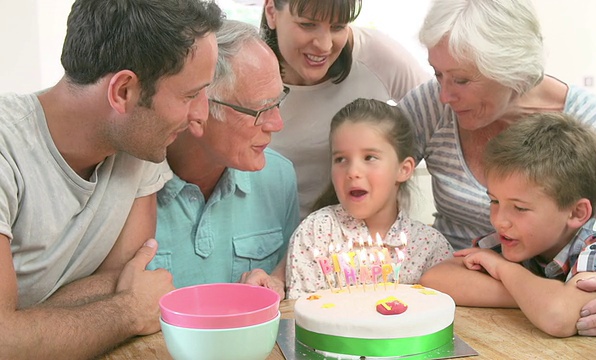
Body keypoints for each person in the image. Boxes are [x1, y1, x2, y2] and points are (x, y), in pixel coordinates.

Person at [398, 0, 596, 336]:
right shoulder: (430, 106)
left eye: (462, 80)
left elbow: (563, 312)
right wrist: (530, 290)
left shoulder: (586, 121)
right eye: (438, 74)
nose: (443, 95)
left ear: (511, 71)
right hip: (473, 298)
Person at [0, 0, 223, 358]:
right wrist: (129, 312)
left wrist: (25, 325)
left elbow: (122, 279)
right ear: (123, 91)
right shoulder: (6, 150)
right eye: (189, 94)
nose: (200, 115)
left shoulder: (140, 142)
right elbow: (5, 342)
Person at [420, 112, 596, 337]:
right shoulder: (524, 235)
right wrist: (532, 296)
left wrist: (504, 270)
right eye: (494, 201)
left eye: (520, 208)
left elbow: (559, 316)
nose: (499, 220)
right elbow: (436, 278)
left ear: (576, 212)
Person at [147, 20, 299, 300]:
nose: (277, 123)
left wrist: (276, 284)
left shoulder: (278, 178)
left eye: (277, 103)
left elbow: (287, 285)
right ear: (199, 108)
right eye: (260, 110)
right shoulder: (129, 187)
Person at [261, 0, 431, 218]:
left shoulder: (378, 57)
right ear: (271, 12)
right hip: (265, 238)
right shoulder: (246, 67)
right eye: (307, 24)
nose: (324, 45)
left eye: (338, 26)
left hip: (362, 239)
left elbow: (439, 112)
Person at [285, 98, 453, 299]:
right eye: (341, 159)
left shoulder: (429, 247)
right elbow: (302, 313)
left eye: (369, 157)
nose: (353, 171)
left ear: (403, 169)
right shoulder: (315, 234)